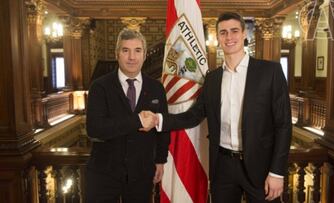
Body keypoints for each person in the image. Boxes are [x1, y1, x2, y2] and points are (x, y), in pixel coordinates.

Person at [140, 12, 292, 203]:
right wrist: (157, 119)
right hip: (223, 166)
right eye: (223, 33)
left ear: (245, 34)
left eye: (234, 31)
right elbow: (193, 116)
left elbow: (283, 125)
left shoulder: (270, 72)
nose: (229, 37)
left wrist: (277, 172)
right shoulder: (212, 79)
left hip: (260, 167)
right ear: (218, 37)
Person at [85, 28, 170, 203]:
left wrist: (161, 160)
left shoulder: (156, 88)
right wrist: (137, 120)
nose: (132, 57)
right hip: (104, 173)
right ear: (117, 54)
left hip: (141, 172)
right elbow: (95, 129)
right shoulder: (99, 87)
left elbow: (163, 127)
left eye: (137, 50)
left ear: (145, 54)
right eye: (126, 50)